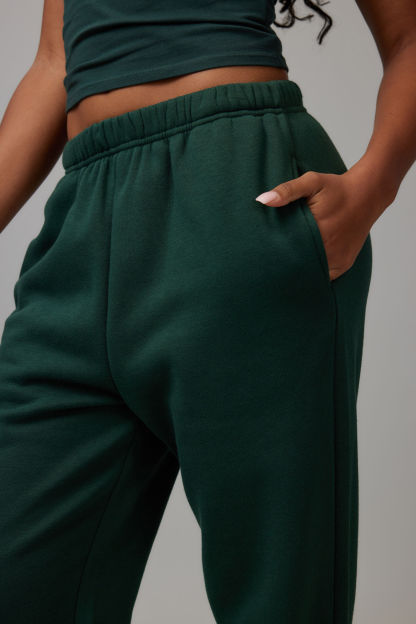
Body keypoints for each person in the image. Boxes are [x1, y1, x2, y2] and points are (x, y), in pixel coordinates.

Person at [0, 1, 415, 622]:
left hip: (236, 188)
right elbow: (55, 62)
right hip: (83, 214)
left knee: (277, 597)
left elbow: (410, 37)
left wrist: (372, 189)